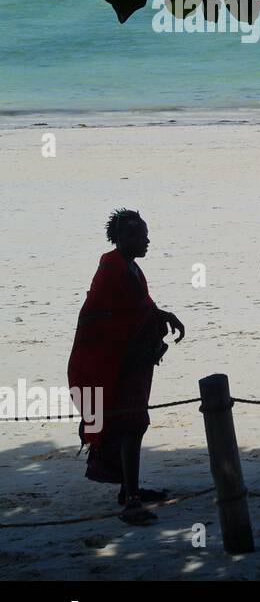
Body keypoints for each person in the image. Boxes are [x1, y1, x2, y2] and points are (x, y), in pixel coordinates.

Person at [67, 209, 185, 525]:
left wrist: (163, 316)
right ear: (122, 238)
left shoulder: (130, 267)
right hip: (108, 363)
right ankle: (130, 500)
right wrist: (147, 329)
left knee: (132, 423)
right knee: (132, 424)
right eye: (140, 236)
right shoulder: (111, 269)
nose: (146, 240)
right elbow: (105, 320)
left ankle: (128, 488)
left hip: (130, 361)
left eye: (146, 235)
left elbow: (140, 306)